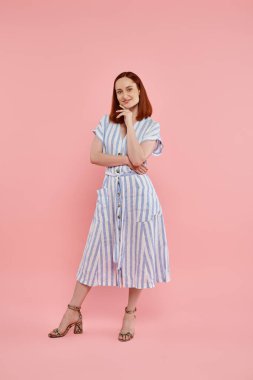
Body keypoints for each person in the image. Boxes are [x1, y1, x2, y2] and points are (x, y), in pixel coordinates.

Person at [48, 71, 171, 342]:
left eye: (129, 89)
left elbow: (140, 155)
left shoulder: (151, 126)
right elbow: (95, 157)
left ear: (140, 91)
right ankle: (72, 311)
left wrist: (129, 123)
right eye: (119, 91)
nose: (124, 96)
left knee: (139, 253)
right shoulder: (105, 122)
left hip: (139, 198)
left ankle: (130, 313)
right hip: (110, 195)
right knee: (94, 250)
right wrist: (127, 160)